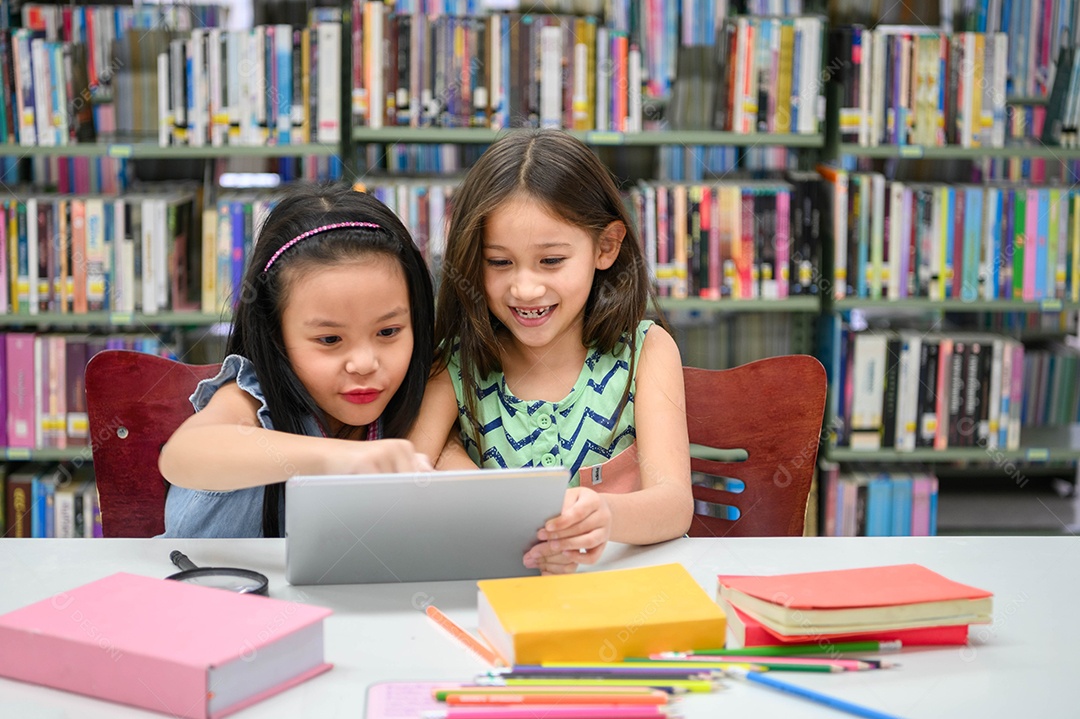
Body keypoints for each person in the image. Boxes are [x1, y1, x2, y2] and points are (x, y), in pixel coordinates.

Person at [409, 130, 693, 574]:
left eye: (551, 261)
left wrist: (607, 517)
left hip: (620, 592)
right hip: (496, 596)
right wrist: (452, 463)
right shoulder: (455, 362)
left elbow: (674, 504)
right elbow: (406, 474)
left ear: (606, 247)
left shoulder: (647, 350)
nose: (525, 288)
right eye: (499, 262)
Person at [159, 184, 435, 538]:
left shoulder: (418, 397)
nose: (364, 363)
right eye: (330, 340)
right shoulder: (251, 399)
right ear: (277, 335)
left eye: (388, 332)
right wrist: (340, 459)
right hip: (202, 588)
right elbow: (181, 455)